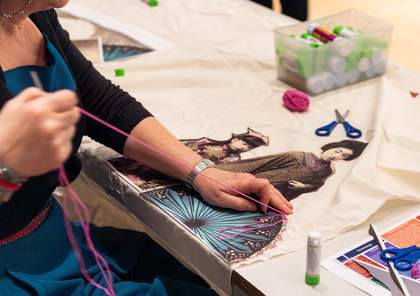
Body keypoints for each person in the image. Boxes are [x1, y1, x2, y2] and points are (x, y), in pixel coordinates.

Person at [0, 1, 293, 295]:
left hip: (54, 237)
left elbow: (99, 101)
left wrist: (201, 172)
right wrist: (12, 166)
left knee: (192, 269)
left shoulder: (33, 14)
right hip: (14, 268)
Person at [217, 140, 368, 201]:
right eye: (338, 150)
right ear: (331, 146)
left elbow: (317, 185)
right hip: (254, 182)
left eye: (344, 156)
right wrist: (223, 172)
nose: (337, 156)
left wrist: (304, 187)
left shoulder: (328, 171)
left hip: (279, 195)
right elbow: (261, 163)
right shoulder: (299, 156)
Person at [181, 128, 270, 164]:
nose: (244, 148)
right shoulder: (206, 141)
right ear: (235, 139)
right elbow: (184, 145)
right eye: (244, 144)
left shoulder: (233, 158)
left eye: (249, 148)